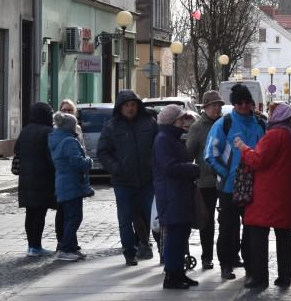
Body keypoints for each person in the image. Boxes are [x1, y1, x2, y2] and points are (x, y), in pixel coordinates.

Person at [235, 103, 291, 289]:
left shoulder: (274, 135)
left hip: (265, 194)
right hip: (285, 193)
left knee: (258, 233)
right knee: (283, 235)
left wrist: (244, 148)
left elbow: (257, 160)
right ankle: (284, 277)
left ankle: (260, 277)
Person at [204, 83, 267, 280]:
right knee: (227, 228)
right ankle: (226, 265)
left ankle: (250, 266)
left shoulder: (261, 123)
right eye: (239, 102)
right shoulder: (224, 124)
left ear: (252, 103)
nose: (243, 105)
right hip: (229, 188)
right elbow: (210, 155)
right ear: (234, 104)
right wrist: (226, 175)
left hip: (255, 187)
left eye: (247, 102)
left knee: (251, 229)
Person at [96, 89, 159, 266]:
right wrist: (117, 168)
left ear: (137, 106)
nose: (130, 108)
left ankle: (162, 249)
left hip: (147, 181)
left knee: (155, 217)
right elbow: (103, 153)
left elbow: (159, 148)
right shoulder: (111, 127)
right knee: (125, 220)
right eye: (126, 105)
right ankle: (129, 252)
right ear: (120, 107)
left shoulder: (149, 123)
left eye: (132, 105)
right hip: (123, 183)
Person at [153, 104, 202, 290]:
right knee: (174, 236)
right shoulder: (164, 139)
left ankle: (179, 272)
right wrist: (193, 169)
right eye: (181, 119)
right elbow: (170, 167)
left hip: (179, 192)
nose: (184, 121)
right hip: (171, 194)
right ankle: (172, 276)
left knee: (182, 235)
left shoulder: (172, 138)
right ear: (172, 121)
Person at [186, 90, 225, 270]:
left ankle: (231, 255)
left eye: (219, 105)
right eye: (213, 105)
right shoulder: (197, 127)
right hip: (206, 181)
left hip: (225, 181)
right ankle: (207, 257)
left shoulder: (227, 124)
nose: (217, 108)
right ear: (205, 107)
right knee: (207, 221)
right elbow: (189, 153)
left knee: (227, 221)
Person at [49, 111, 93, 261]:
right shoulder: (69, 141)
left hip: (63, 183)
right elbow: (77, 162)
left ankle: (72, 248)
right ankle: (66, 248)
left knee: (70, 217)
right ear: (71, 127)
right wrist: (89, 161)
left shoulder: (58, 138)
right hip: (71, 184)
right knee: (75, 217)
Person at [15, 102, 58, 256]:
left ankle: (31, 246)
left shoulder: (25, 131)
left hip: (26, 179)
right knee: (40, 213)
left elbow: (17, 151)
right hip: (43, 178)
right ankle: (36, 246)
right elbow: (50, 157)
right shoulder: (47, 131)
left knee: (30, 213)